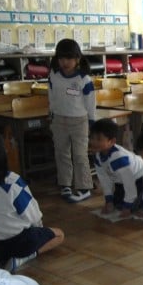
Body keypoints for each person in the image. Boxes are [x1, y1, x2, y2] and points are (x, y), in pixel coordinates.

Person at [0, 140, 65, 272]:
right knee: (59, 234)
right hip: (19, 243)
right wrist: (38, 229)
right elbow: (33, 216)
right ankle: (23, 258)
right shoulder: (11, 186)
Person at [48, 38, 96, 202]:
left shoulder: (84, 79)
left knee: (80, 155)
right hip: (59, 119)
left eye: (69, 58)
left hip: (79, 121)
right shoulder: (54, 75)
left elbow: (91, 102)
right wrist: (52, 113)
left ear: (77, 59)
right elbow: (52, 96)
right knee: (61, 153)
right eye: (61, 58)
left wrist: (92, 121)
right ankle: (65, 184)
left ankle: (84, 187)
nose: (65, 62)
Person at [90, 119, 143, 217]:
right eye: (92, 138)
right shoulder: (97, 156)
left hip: (141, 177)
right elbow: (104, 178)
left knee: (133, 207)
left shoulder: (119, 158)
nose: (94, 142)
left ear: (112, 141)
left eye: (98, 139)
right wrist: (109, 200)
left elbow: (129, 183)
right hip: (120, 181)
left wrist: (128, 207)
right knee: (117, 205)